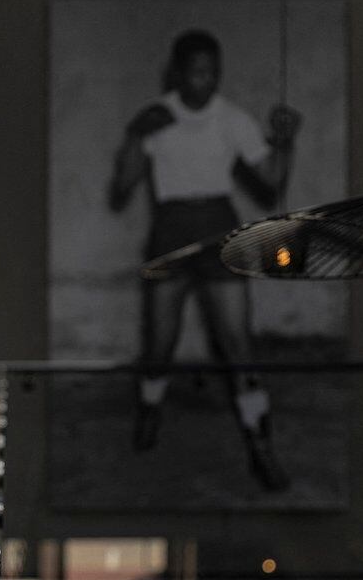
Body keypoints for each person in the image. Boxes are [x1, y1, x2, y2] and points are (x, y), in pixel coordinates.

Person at [108, 30, 300, 489]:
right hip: (168, 234)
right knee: (158, 347)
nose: (205, 81)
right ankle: (151, 409)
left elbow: (270, 181)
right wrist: (135, 134)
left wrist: (286, 142)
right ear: (177, 72)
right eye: (196, 71)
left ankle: (260, 445)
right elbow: (122, 188)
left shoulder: (232, 118)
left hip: (219, 229)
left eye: (213, 72)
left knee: (239, 348)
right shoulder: (158, 118)